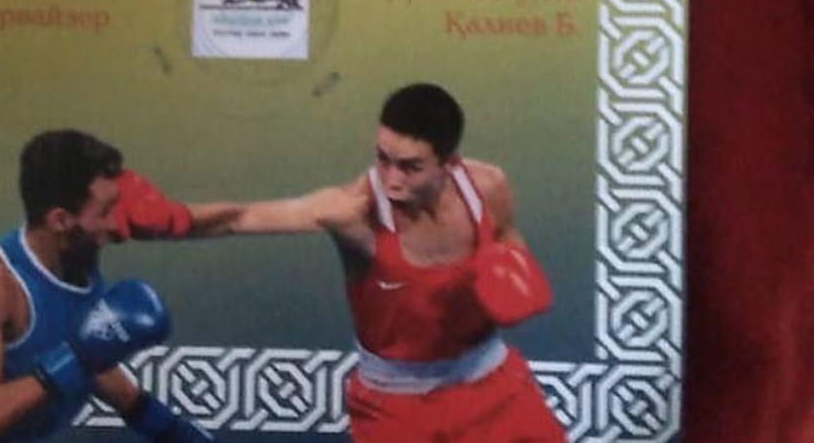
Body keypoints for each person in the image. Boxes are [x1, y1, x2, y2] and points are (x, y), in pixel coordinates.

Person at [118, 83, 567, 442]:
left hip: (492, 385)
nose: (391, 179)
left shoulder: (487, 187)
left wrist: (513, 261)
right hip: (398, 408)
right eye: (382, 159)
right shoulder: (355, 211)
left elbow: (507, 236)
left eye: (410, 167)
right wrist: (170, 220)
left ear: (449, 162)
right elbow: (242, 218)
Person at [0, 129, 215, 442]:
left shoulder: (80, 270)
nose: (116, 223)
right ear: (60, 220)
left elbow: (99, 369)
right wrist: (76, 357)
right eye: (105, 212)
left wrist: (176, 433)